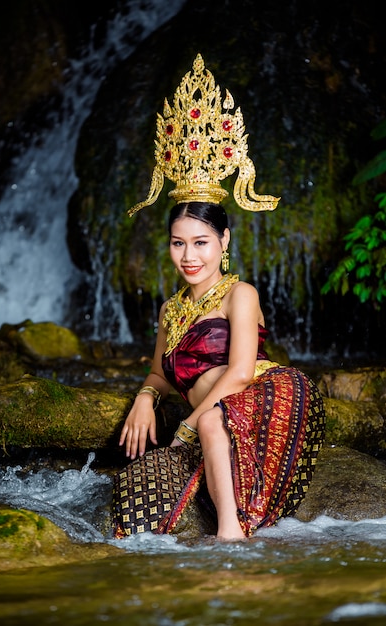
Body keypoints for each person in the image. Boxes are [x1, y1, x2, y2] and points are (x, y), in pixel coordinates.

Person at [111, 55, 325, 540]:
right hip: (213, 415)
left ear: (224, 242)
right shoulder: (171, 308)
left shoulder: (240, 295)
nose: (189, 256)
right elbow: (159, 372)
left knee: (212, 429)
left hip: (266, 398)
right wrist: (145, 398)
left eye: (201, 242)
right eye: (178, 242)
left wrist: (190, 423)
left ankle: (231, 539)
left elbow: (243, 372)